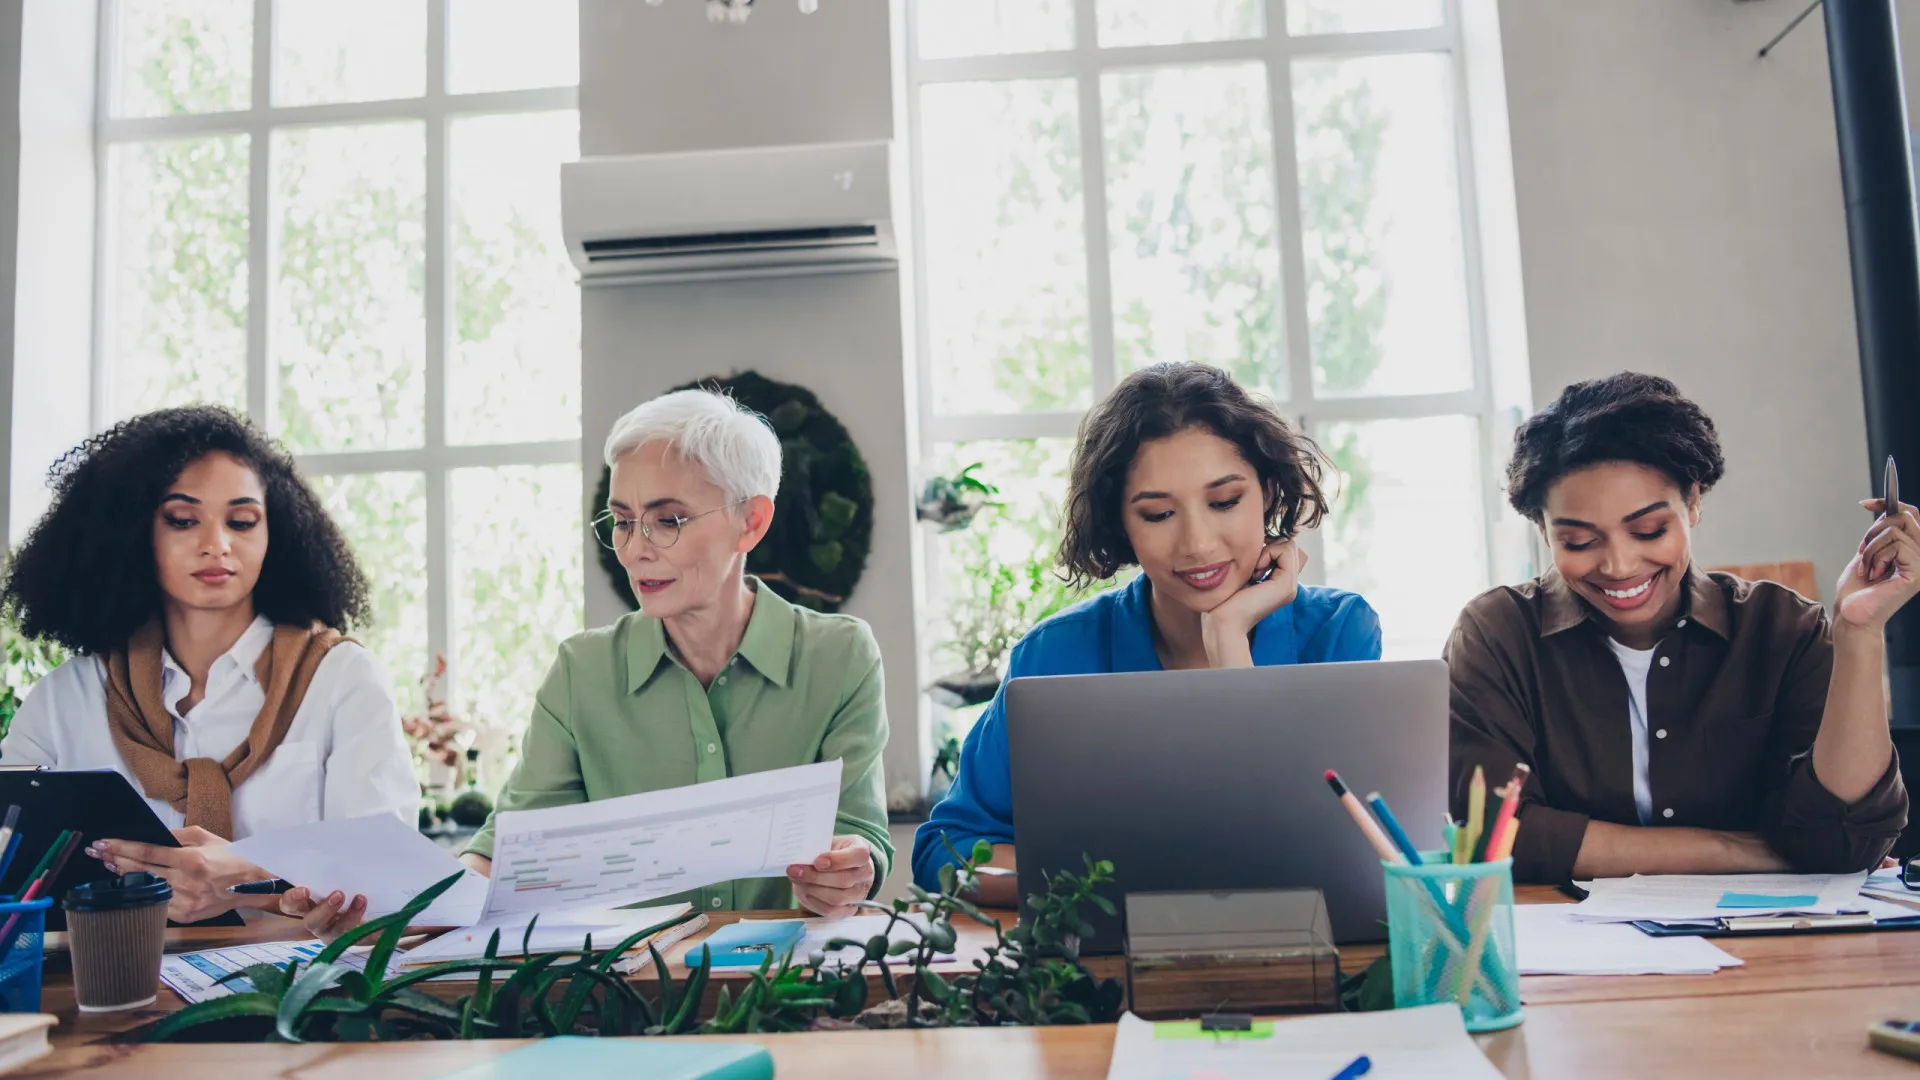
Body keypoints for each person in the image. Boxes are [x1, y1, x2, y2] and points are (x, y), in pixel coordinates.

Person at [291, 388, 896, 939]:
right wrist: (393, 908)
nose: (636, 549)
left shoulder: (840, 656)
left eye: (668, 521)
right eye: (624, 521)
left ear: (751, 522)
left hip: (790, 986)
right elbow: (506, 851)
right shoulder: (582, 671)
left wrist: (850, 871)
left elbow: (860, 834)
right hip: (628, 1000)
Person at [912, 362, 1383, 904]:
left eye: (1225, 502)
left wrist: (1228, 639)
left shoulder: (1339, 633)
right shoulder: (1055, 655)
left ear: (1270, 492)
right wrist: (1109, 889)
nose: (1198, 544)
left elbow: (1345, 851)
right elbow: (944, 853)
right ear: (1121, 524)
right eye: (1158, 514)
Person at [1448, 372, 1916, 884]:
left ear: (1693, 502)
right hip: (1570, 952)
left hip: (1773, 944)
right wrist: (1749, 851)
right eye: (1580, 541)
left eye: (1649, 530)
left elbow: (1844, 838)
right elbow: (1496, 835)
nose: (1620, 565)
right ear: (1543, 530)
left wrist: (1859, 634)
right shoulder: (1496, 635)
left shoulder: (1782, 629)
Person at [0, 406, 417, 924]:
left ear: (275, 535)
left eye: (242, 522)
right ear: (130, 533)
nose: (217, 544)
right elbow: (9, 871)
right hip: (107, 991)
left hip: (301, 993)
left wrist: (255, 883)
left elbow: (392, 878)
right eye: (182, 519)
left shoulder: (341, 680)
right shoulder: (65, 701)